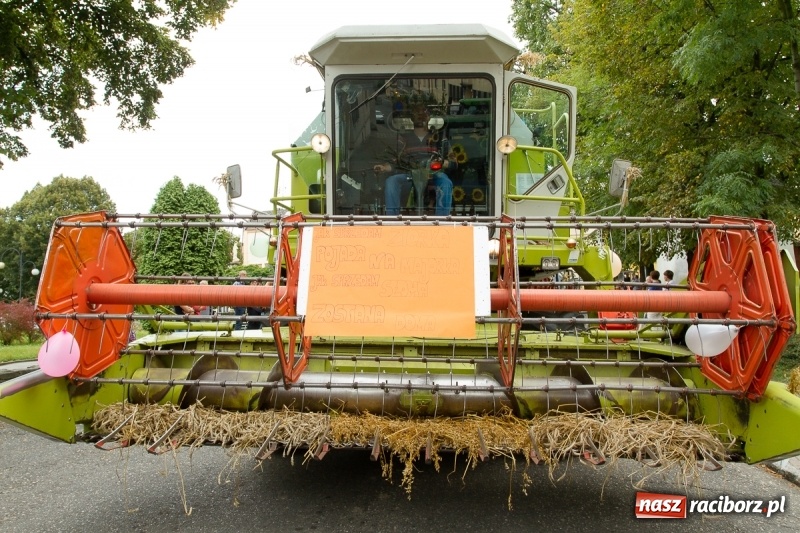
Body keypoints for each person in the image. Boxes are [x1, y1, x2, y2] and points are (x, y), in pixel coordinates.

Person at [374, 104, 454, 215]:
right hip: (409, 174)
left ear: (428, 117)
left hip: (433, 174)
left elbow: (453, 162)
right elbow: (396, 161)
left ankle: (442, 219)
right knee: (391, 181)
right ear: (412, 118)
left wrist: (443, 163)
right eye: (417, 113)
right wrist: (383, 167)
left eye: (423, 113)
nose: (420, 116)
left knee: (445, 182)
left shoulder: (439, 138)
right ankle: (392, 218)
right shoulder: (403, 139)